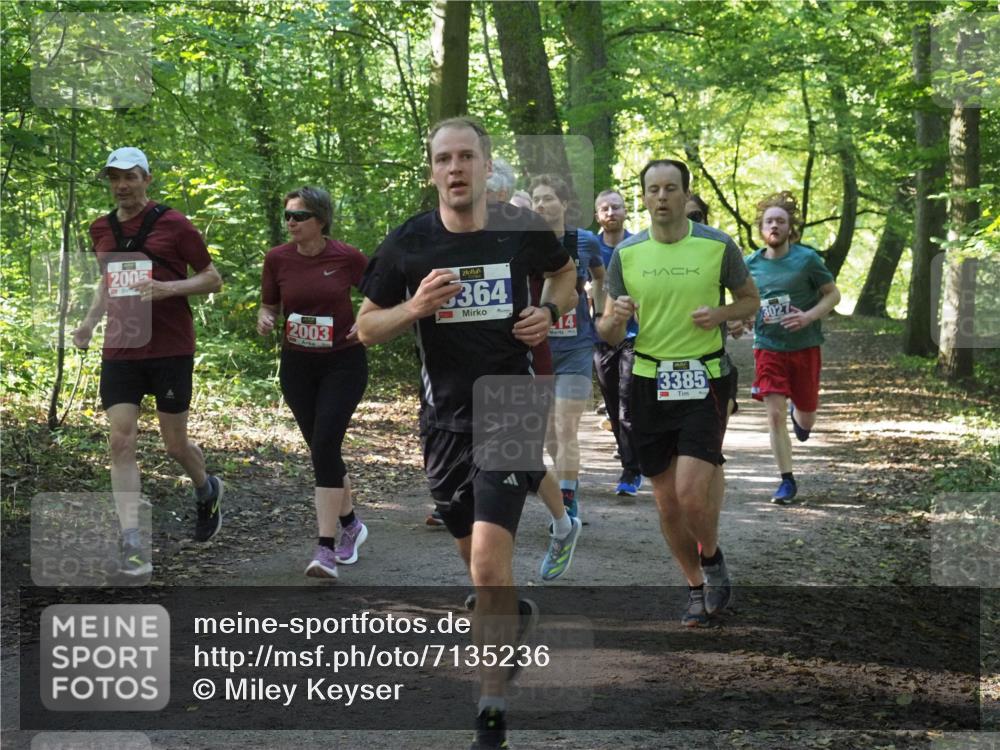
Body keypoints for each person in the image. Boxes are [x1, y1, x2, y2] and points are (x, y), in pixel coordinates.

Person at [356, 117, 576, 749]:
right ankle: (511, 615)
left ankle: (490, 707)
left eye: (466, 158)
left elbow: (563, 277)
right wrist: (415, 307)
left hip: (509, 402)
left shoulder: (522, 228)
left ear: (486, 167)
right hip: (445, 420)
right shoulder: (408, 245)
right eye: (443, 159)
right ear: (432, 171)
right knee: (477, 567)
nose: (455, 169)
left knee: (485, 564)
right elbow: (367, 328)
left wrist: (550, 311)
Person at [598, 159, 759, 627]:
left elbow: (751, 300)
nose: (662, 197)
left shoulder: (716, 245)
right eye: (653, 189)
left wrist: (722, 314)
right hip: (648, 381)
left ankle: (711, 558)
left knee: (691, 492)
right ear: (644, 197)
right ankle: (694, 586)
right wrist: (616, 317)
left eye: (671, 188)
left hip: (704, 377)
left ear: (685, 195)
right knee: (667, 502)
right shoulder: (625, 255)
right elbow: (608, 334)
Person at [72, 147, 224, 576]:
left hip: (170, 347)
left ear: (146, 179)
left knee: (175, 444)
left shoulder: (173, 224)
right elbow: (107, 284)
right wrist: (88, 324)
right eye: (114, 178)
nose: (122, 186)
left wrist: (168, 289)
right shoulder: (100, 228)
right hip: (120, 348)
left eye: (130, 177)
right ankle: (133, 542)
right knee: (120, 442)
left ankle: (206, 487)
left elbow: (213, 278)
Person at [257, 186, 370, 579]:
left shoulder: (346, 256)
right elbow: (269, 304)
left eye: (299, 216)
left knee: (324, 446)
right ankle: (352, 525)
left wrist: (366, 321)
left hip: (343, 363)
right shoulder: (277, 259)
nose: (291, 222)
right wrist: (265, 318)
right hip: (298, 366)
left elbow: (380, 294)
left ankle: (325, 548)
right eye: (288, 215)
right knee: (323, 450)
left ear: (320, 219)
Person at [745, 191, 841, 504]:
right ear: (761, 228)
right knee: (774, 417)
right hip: (768, 347)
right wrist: (742, 320)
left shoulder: (807, 260)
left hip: (805, 347)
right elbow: (745, 304)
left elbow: (832, 294)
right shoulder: (751, 266)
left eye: (781, 221)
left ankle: (799, 415)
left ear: (790, 228)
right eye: (769, 221)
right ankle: (786, 480)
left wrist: (808, 316)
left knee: (807, 418)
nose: (774, 226)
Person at [529, 174, 605, 522]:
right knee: (547, 432)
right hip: (539, 350)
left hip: (576, 348)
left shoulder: (584, 240)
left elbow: (601, 275)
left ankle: (568, 499)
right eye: (536, 200)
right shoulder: (524, 243)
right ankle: (564, 486)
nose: (541, 205)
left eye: (548, 198)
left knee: (565, 424)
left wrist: (601, 311)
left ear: (563, 204)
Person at [592, 189, 643, 496]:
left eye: (616, 207)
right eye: (604, 208)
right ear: (597, 215)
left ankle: (631, 471)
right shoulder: (589, 246)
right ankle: (630, 458)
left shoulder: (638, 246)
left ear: (625, 212)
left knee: (627, 400)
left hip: (633, 335)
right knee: (613, 403)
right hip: (599, 336)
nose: (611, 212)